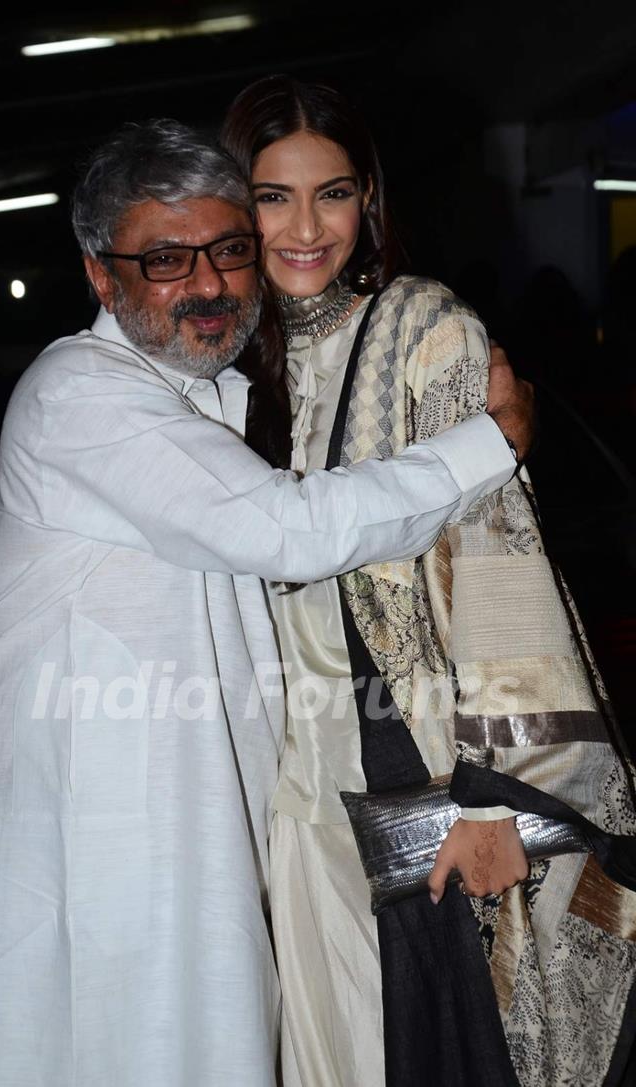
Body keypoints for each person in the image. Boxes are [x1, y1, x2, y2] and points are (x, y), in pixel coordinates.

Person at [0, 119, 528, 1087]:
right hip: (109, 823)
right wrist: (486, 444)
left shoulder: (205, 397)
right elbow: (285, 529)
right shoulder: (79, 392)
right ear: (100, 275)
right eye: (166, 259)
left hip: (195, 812)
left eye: (228, 251)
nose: (208, 284)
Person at [221, 75, 636, 1087]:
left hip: (414, 779)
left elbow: (494, 542)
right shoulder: (237, 368)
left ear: (369, 202)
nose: (306, 226)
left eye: (334, 192)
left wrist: (495, 800)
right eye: (274, 196)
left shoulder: (423, 328)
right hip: (291, 797)